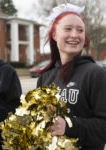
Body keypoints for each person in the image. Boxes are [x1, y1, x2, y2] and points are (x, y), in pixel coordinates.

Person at [37, 3, 106, 150]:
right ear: (55, 35)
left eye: (80, 30)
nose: (75, 35)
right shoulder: (45, 77)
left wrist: (68, 126)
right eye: (68, 29)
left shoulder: (96, 74)